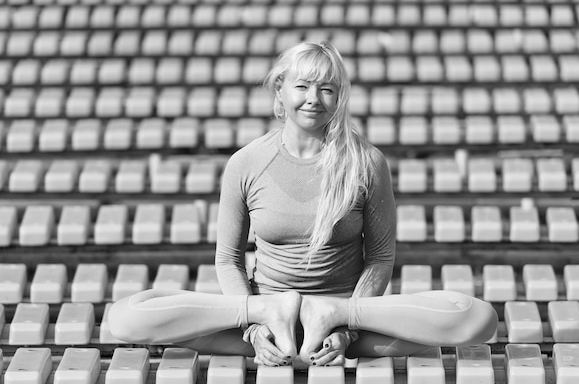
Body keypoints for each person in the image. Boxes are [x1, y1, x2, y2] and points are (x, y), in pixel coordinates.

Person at [108, 41, 498, 367]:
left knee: (479, 320)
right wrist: (255, 324)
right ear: (280, 90)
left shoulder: (366, 162)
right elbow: (227, 259)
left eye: (327, 89)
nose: (314, 99)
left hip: (343, 321)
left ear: (339, 96)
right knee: (125, 319)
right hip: (264, 318)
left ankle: (331, 315)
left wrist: (346, 328)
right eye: (303, 86)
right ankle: (268, 315)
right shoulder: (245, 162)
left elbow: (379, 258)